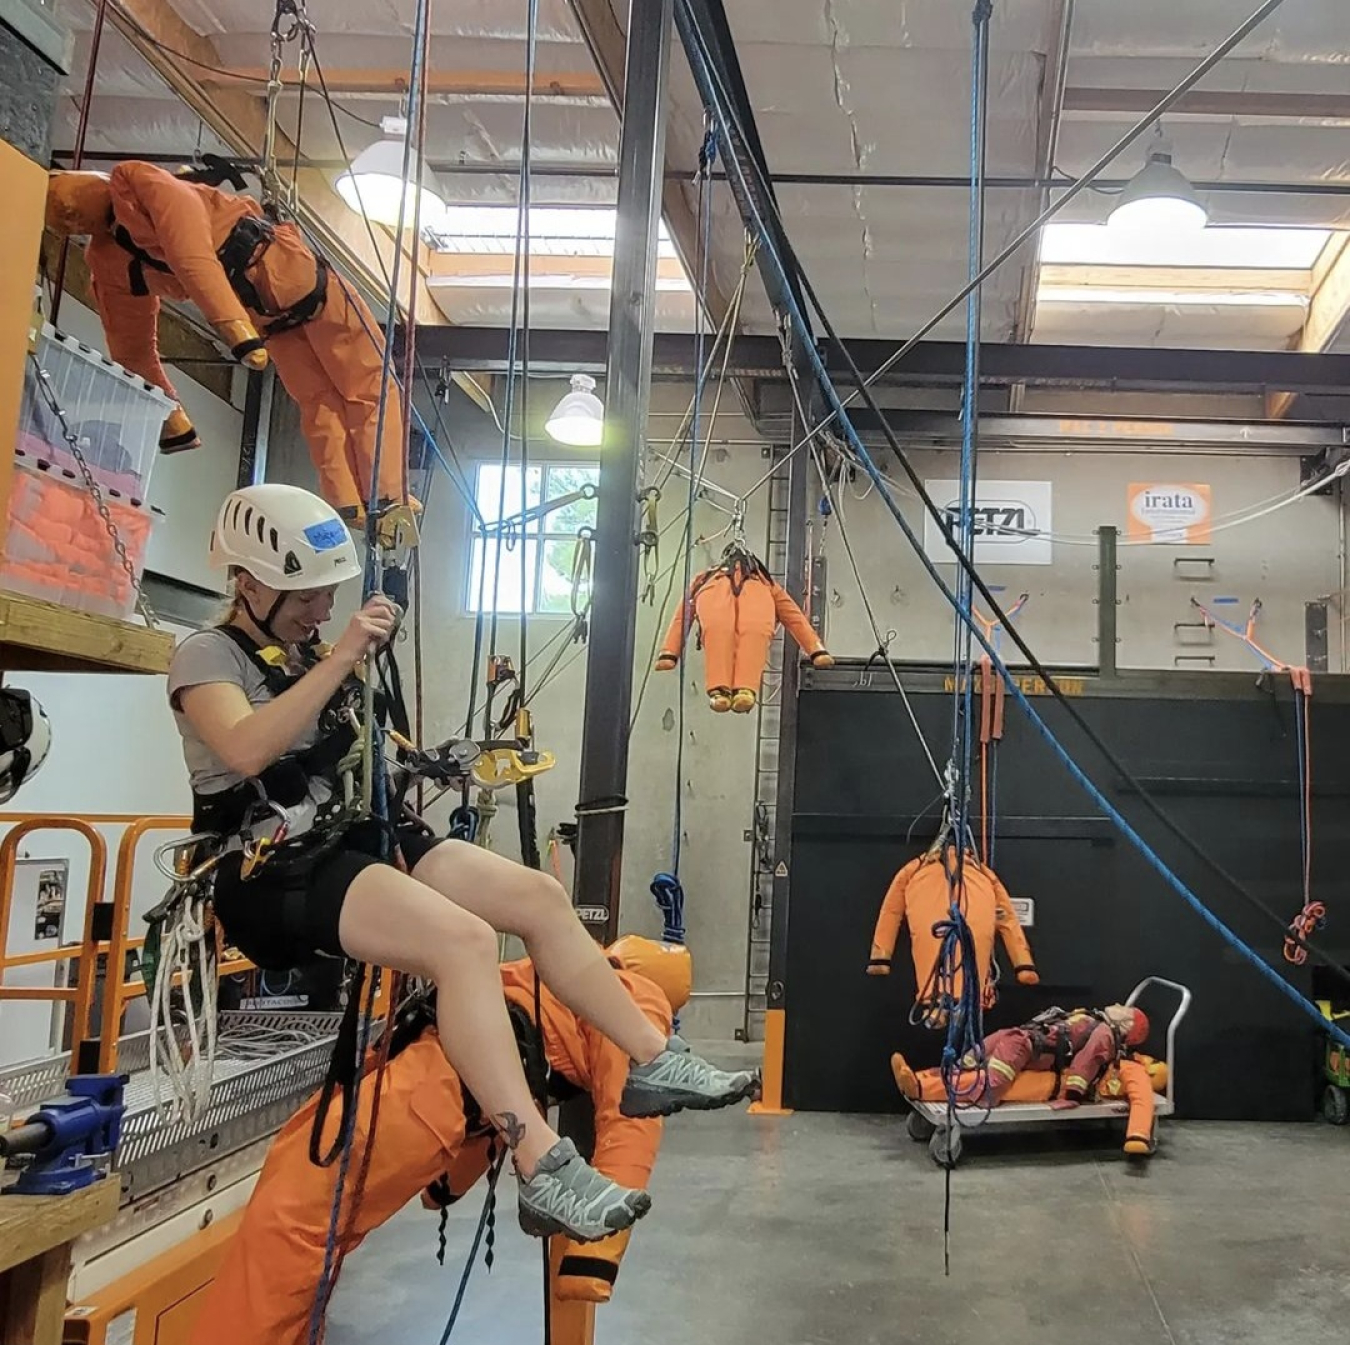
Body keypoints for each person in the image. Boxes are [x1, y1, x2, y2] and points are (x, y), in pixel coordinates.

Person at [168, 483, 758, 1245]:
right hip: (271, 872)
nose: (321, 610)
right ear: (247, 581)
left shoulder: (309, 652)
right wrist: (345, 653)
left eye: (327, 595)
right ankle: (539, 1162)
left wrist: (434, 763)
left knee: (539, 897)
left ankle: (651, 1058)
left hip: (355, 838)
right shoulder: (205, 655)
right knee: (465, 944)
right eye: (305, 596)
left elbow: (353, 746)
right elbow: (246, 747)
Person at [190, 937, 690, 1345]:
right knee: (310, 1221)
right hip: (432, 1090)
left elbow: (629, 1114)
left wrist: (593, 1252)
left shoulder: (605, 991)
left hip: (430, 1089)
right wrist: (448, 1183)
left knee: (292, 1219)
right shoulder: (570, 987)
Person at [890, 1003, 1158, 1155]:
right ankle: (922, 1083)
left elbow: (1075, 1054)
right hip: (1025, 1046)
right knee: (985, 1081)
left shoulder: (1093, 1024)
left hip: (1016, 1039)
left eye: (1124, 1009)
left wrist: (1071, 1094)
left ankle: (920, 1079)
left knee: (978, 1075)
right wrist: (1072, 1095)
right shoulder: (1099, 1029)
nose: (1118, 1005)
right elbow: (1082, 1062)